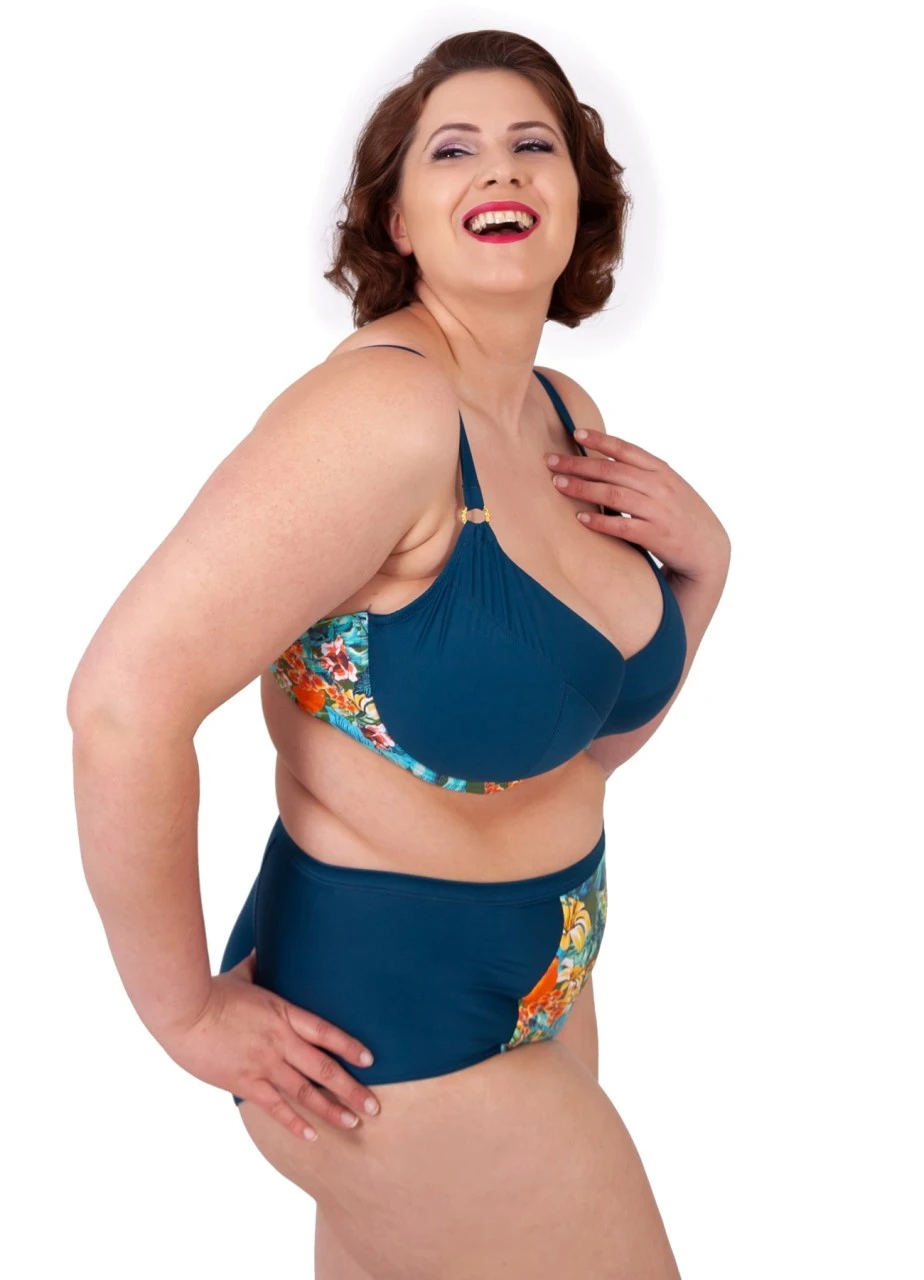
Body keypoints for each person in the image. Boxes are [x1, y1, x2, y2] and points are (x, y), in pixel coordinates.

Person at [68, 28, 730, 1280]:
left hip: (548, 975)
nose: (503, 168)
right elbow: (120, 703)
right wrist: (182, 1011)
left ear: (579, 199)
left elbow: (579, 751)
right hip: (387, 1027)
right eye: (454, 150)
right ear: (398, 219)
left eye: (535, 145)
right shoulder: (384, 415)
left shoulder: (561, 416)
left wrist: (706, 572)